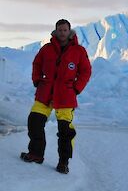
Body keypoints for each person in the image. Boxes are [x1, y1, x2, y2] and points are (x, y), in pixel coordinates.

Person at [20, 19, 92, 174]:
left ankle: (63, 163)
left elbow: (86, 71)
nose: (62, 33)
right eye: (60, 30)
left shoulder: (78, 51)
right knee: (34, 122)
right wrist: (36, 80)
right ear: (56, 31)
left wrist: (76, 88)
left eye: (65, 30)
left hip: (65, 94)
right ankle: (36, 154)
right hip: (45, 92)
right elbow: (37, 64)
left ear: (69, 31)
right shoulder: (46, 49)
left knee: (65, 131)